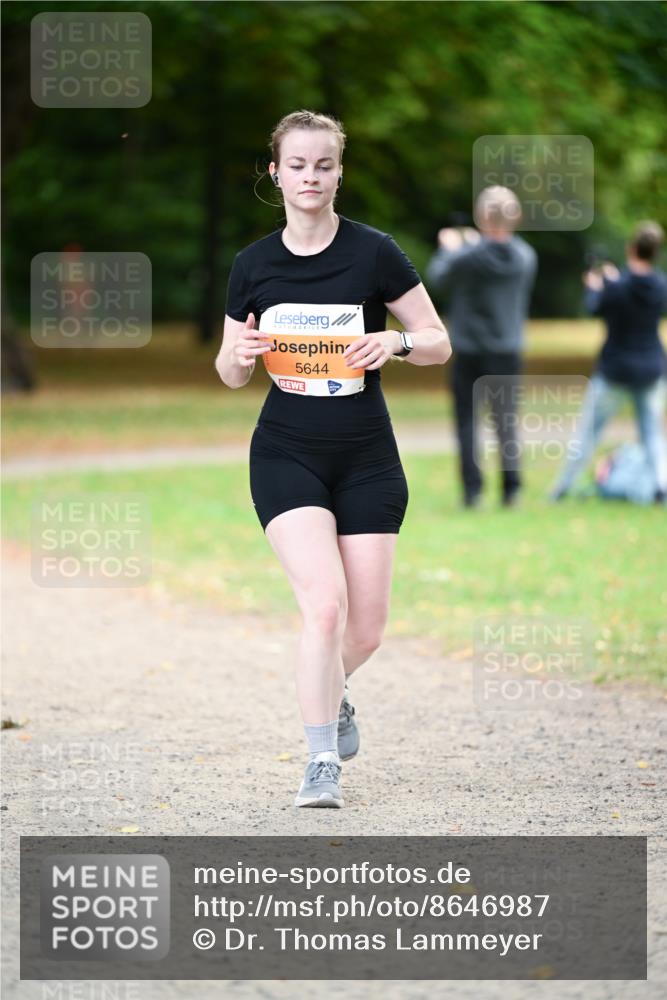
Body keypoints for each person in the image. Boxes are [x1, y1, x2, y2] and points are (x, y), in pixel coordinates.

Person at [215, 110, 451, 808]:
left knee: (366, 628)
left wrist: (397, 344)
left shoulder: (375, 252)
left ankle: (331, 688)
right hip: (286, 450)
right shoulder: (252, 265)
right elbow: (230, 371)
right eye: (297, 165)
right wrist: (237, 355)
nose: (310, 177)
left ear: (338, 172)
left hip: (367, 454)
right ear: (275, 173)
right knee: (324, 607)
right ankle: (321, 760)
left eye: (323, 165)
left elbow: (438, 339)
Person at [425, 187, 537, 508]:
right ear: (515, 218)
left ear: (482, 217)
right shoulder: (526, 256)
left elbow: (438, 277)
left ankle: (473, 492)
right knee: (506, 420)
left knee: (466, 421)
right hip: (507, 349)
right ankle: (511, 489)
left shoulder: (466, 256)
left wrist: (449, 248)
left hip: (470, 349)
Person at [549, 221, 667, 504]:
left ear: (631, 249)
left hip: (615, 370)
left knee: (589, 432)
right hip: (651, 368)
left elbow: (595, 306)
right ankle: (661, 487)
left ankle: (562, 488)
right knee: (651, 432)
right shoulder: (661, 285)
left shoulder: (617, 286)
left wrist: (595, 287)